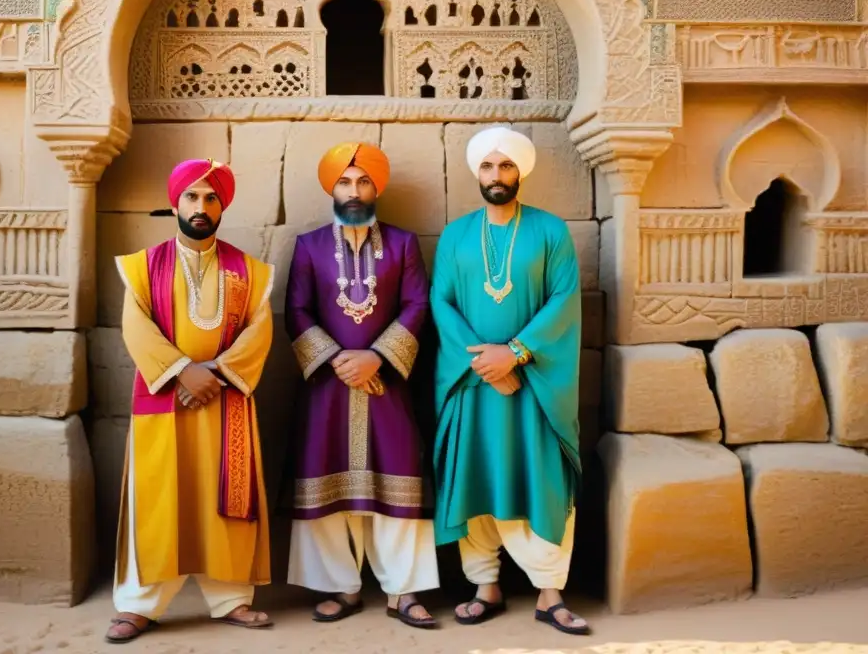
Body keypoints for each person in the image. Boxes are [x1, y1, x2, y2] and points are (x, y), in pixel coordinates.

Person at [105, 159, 276, 644]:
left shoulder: (251, 272)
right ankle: (140, 606)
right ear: (175, 202)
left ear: (222, 206)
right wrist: (183, 371)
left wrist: (214, 374)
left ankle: (230, 600)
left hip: (225, 401)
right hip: (166, 400)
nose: (201, 207)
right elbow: (134, 327)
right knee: (158, 500)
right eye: (192, 197)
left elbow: (259, 333)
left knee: (225, 499)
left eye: (211, 198)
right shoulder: (143, 267)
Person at [430, 127, 590, 634]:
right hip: (475, 387)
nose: (495, 176)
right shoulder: (456, 235)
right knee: (475, 475)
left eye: (504, 167)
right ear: (475, 172)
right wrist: (486, 365)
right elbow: (441, 302)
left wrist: (516, 355)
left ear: (520, 171)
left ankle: (549, 593)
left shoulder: (549, 231)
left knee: (541, 478)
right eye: (486, 167)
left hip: (533, 387)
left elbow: (564, 300)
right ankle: (486, 586)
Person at [284, 142, 440, 629]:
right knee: (326, 481)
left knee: (397, 479)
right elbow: (296, 311)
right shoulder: (309, 246)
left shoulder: (402, 243)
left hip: (386, 383)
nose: (354, 191)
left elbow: (417, 305)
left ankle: (404, 589)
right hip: (328, 386)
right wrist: (337, 360)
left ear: (377, 187)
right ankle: (339, 586)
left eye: (364, 181)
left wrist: (376, 358)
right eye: (345, 182)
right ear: (331, 188)